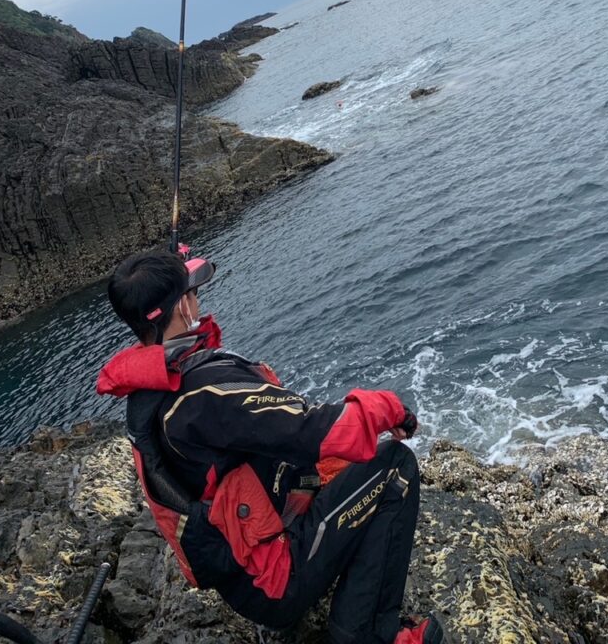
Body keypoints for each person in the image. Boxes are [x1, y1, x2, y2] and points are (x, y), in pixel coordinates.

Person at [96, 249, 448, 644]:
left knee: (342, 467)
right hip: (275, 580)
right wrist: (394, 411)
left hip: (246, 574)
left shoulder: (151, 392)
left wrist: (167, 273)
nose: (198, 298)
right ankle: (369, 633)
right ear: (181, 305)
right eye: (191, 291)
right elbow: (312, 429)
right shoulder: (203, 397)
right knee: (394, 467)